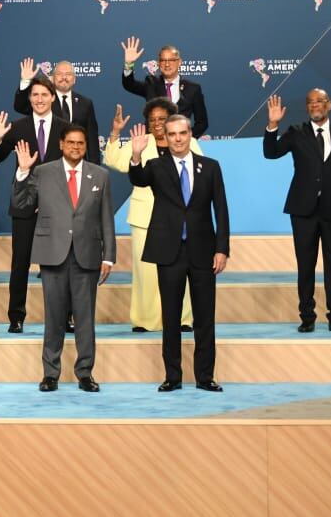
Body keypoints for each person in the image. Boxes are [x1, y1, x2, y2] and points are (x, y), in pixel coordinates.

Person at [128, 115, 230, 392]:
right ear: (166, 136)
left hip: (203, 252)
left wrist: (222, 249)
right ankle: (172, 376)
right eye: (171, 134)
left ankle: (205, 376)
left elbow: (220, 209)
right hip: (168, 252)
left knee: (204, 317)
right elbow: (138, 179)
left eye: (182, 133)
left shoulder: (210, 167)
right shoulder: (156, 166)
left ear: (189, 134)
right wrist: (135, 156)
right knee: (170, 317)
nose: (177, 138)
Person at [12, 125, 115, 393]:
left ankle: (85, 374)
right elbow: (21, 205)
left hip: (88, 256)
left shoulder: (100, 175)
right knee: (54, 317)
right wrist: (23, 172)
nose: (76, 147)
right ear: (61, 144)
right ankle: (50, 374)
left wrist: (110, 257)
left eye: (80, 143)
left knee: (85, 319)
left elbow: (106, 219)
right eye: (70, 142)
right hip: (53, 253)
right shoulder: (43, 172)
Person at [264, 90, 331, 332]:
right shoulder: (296, 133)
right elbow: (271, 153)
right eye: (310, 102)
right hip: (303, 211)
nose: (315, 105)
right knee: (305, 266)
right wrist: (272, 125)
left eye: (319, 101)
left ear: (329, 104)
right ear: (307, 107)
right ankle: (307, 317)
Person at [103, 99, 194, 332]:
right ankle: (145, 320)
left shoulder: (188, 143)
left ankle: (182, 319)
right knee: (146, 273)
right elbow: (113, 160)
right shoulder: (142, 142)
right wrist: (115, 133)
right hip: (145, 217)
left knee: (179, 270)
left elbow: (199, 172)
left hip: (179, 218)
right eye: (152, 119)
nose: (156, 123)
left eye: (161, 119)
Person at [0, 76, 65, 333]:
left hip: (57, 208)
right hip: (24, 205)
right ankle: (16, 317)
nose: (39, 99)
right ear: (29, 99)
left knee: (57, 264)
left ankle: (63, 317)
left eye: (44, 94)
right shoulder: (18, 126)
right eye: (35, 95)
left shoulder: (67, 129)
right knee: (20, 262)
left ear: (53, 97)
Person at [13, 58, 100, 163]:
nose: (64, 77)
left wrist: (94, 168)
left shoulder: (85, 103)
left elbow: (92, 139)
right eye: (59, 74)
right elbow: (20, 107)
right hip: (51, 164)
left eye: (68, 74)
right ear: (52, 78)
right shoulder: (43, 101)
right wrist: (25, 81)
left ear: (74, 79)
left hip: (77, 165)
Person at [120, 37, 209, 138]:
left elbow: (202, 123)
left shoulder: (193, 89)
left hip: (180, 147)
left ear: (179, 62)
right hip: (154, 145)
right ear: (158, 63)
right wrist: (129, 64)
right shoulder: (151, 83)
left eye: (171, 60)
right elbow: (129, 84)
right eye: (163, 60)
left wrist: (185, 138)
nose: (167, 64)